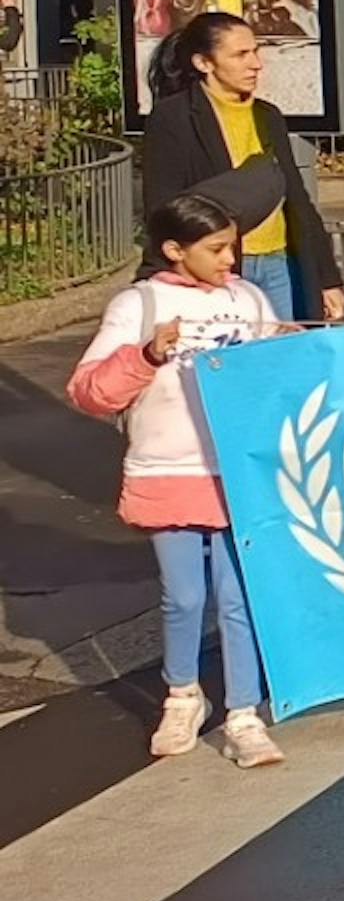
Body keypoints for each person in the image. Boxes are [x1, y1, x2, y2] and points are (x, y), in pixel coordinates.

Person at [68, 192, 285, 766]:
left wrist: (291, 351)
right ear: (173, 249)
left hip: (236, 472)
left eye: (231, 247)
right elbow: (89, 392)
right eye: (215, 249)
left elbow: (274, 384)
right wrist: (146, 354)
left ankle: (244, 711)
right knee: (184, 596)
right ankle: (183, 695)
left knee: (239, 598)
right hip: (169, 470)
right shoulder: (139, 304)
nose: (229, 260)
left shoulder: (249, 299)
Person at [138, 10, 344, 325]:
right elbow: (163, 206)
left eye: (256, 52)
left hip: (280, 264)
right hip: (218, 266)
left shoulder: (268, 116)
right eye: (241, 55)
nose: (256, 64)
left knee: (283, 359)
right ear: (204, 63)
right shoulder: (173, 118)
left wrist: (327, 278)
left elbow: (297, 199)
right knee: (230, 360)